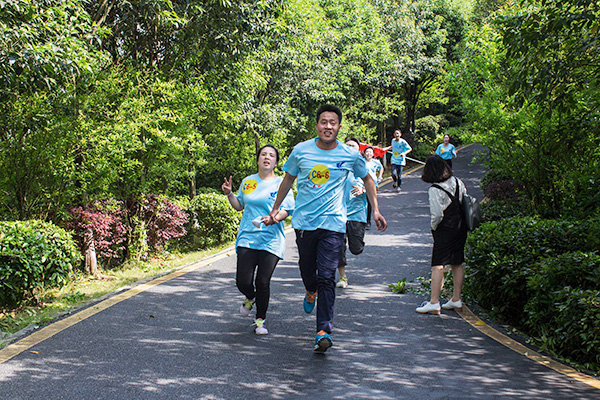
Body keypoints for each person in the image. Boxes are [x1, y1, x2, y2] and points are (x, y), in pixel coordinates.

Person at [265, 104, 387, 353]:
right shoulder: (301, 151)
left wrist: (375, 209)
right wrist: (275, 208)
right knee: (308, 272)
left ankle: (323, 330)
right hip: (304, 224)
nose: (328, 126)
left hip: (333, 224)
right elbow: (288, 179)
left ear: (339, 127)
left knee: (328, 276)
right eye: (323, 121)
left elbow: (368, 179)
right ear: (317, 125)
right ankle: (310, 290)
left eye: (333, 122)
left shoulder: (349, 154)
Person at [221, 145, 295, 335]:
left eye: (271, 155)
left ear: (276, 162)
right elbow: (239, 206)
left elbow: (287, 210)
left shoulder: (282, 183)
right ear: (258, 159)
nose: (267, 158)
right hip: (247, 237)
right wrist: (230, 193)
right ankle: (250, 296)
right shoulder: (248, 182)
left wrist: (275, 218)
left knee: (263, 281)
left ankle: (260, 320)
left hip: (271, 239)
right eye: (263, 154)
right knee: (242, 281)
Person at [416, 155, 467, 315]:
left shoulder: (435, 189)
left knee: (438, 265)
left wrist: (433, 229)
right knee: (457, 262)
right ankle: (456, 299)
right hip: (461, 226)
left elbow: (437, 215)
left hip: (445, 229)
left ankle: (434, 302)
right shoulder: (457, 181)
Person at [336, 136, 368, 289]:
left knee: (356, 249)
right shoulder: (338, 166)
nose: (349, 147)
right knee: (337, 247)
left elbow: (373, 186)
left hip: (356, 214)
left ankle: (356, 243)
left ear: (358, 150)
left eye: (353, 146)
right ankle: (342, 277)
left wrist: (364, 189)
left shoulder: (363, 168)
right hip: (337, 214)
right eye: (347, 145)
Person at [364, 146, 383, 229]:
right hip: (362, 185)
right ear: (364, 154)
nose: (369, 153)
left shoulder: (376, 162)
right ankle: (362, 220)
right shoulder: (361, 162)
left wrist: (380, 176)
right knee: (362, 204)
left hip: (373, 185)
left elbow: (381, 168)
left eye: (370, 152)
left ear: (373, 154)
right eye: (367, 152)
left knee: (370, 203)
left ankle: (368, 221)